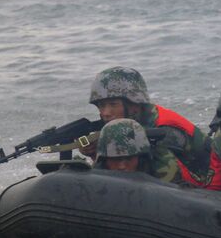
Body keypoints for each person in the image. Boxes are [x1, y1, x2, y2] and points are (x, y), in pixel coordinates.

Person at [82, 66, 210, 177]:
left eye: (113, 104)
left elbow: (162, 178)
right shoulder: (135, 122)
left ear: (134, 104)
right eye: (101, 106)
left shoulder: (164, 131)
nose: (105, 112)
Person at [95, 118, 199, 185]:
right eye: (115, 159)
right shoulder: (96, 177)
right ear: (104, 160)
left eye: (129, 158)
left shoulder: (164, 169)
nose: (122, 166)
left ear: (141, 158)